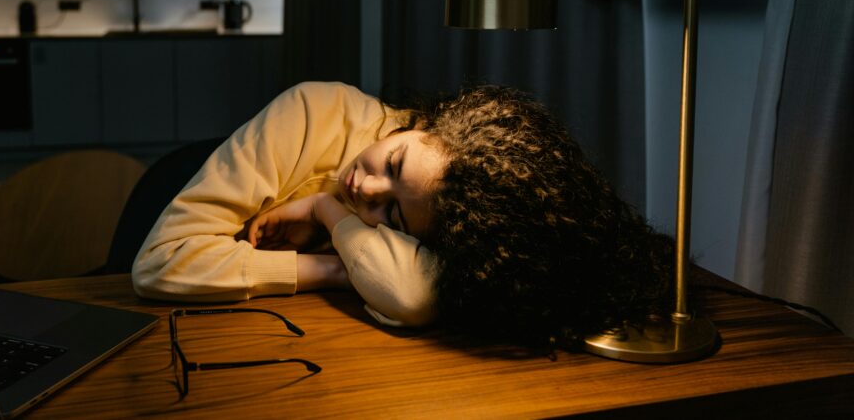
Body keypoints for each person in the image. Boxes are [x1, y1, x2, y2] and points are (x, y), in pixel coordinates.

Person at [132, 81, 673, 348]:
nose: (365, 188)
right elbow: (160, 263)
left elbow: (413, 297)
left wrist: (328, 218)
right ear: (428, 123)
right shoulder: (311, 111)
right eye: (392, 162)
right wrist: (348, 271)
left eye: (392, 214)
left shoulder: (449, 215)